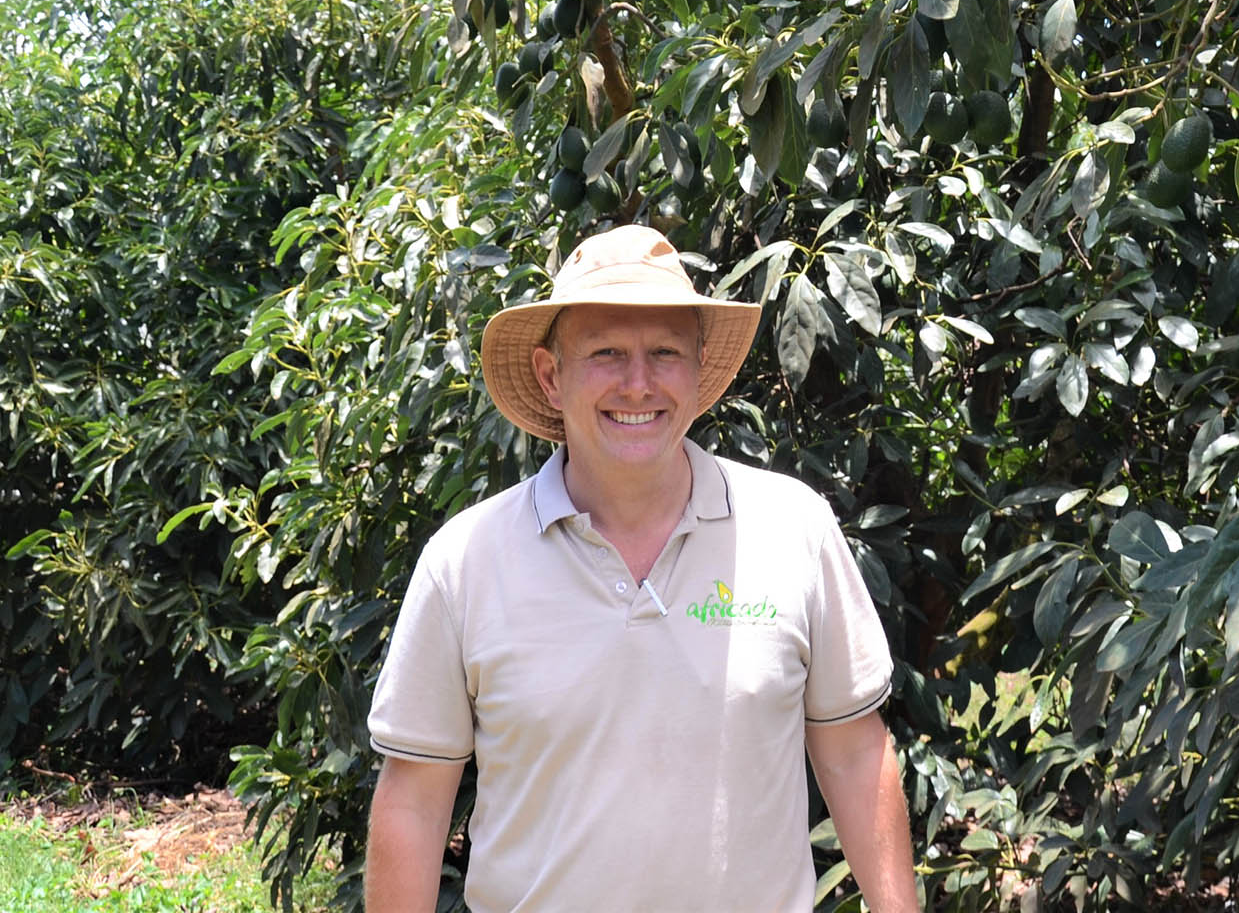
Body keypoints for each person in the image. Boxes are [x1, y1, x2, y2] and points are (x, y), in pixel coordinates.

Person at [364, 224, 919, 913]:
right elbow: (414, 802)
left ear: (696, 369)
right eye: (606, 353)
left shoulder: (792, 527)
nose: (638, 383)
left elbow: (854, 754)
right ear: (550, 374)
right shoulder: (466, 562)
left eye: (664, 353)